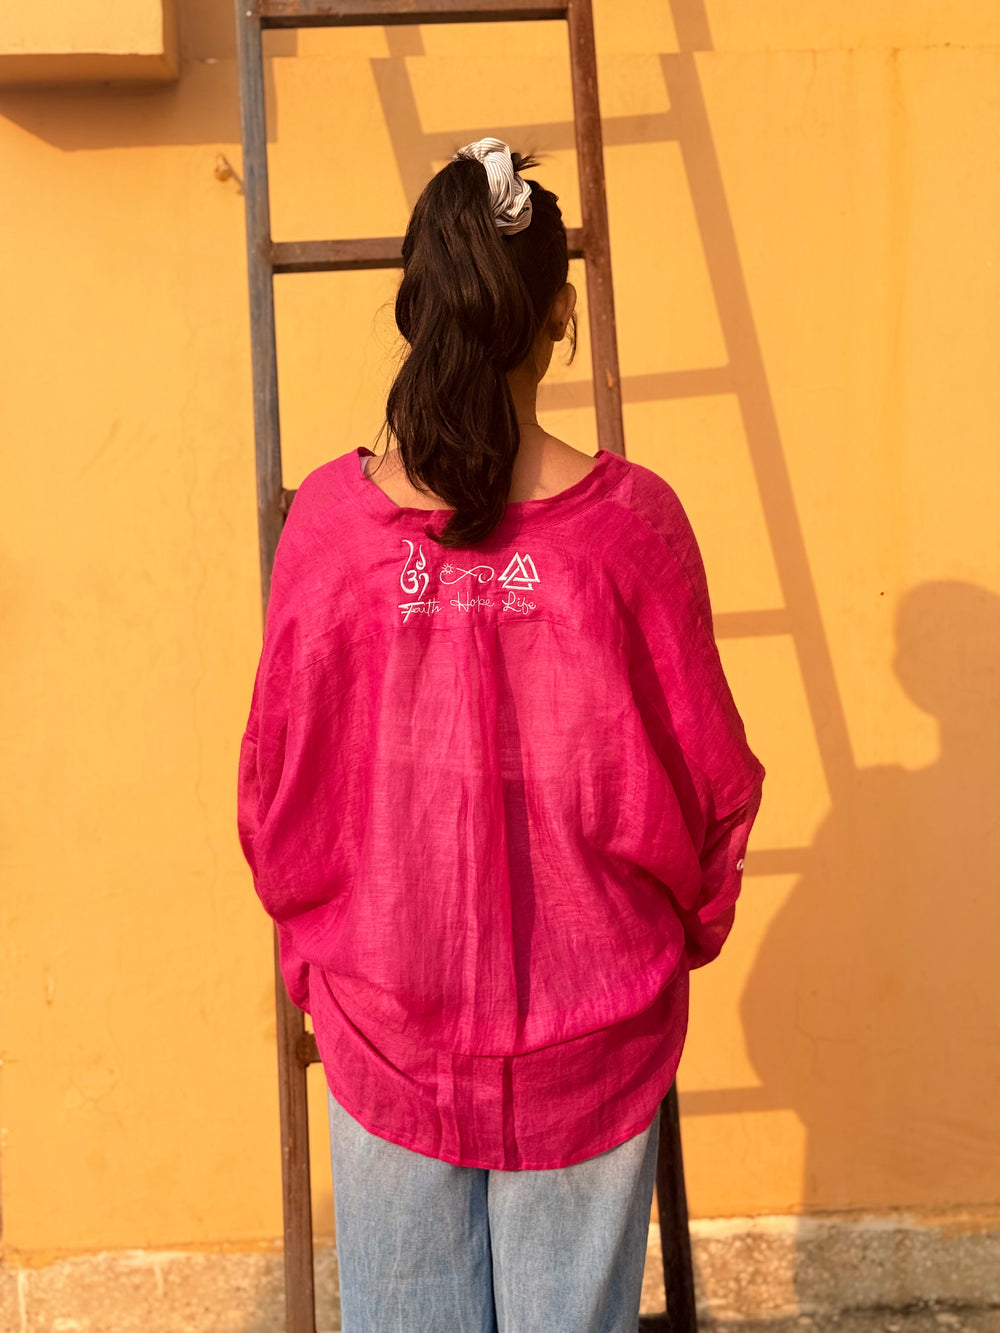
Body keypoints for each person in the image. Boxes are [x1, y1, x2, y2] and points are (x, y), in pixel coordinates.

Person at [237, 138, 764, 1333]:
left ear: (418, 306)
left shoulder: (330, 528)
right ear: (559, 314)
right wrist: (669, 941)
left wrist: (321, 951)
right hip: (597, 1020)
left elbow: (277, 795)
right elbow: (711, 786)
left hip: (386, 1016)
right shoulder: (632, 529)